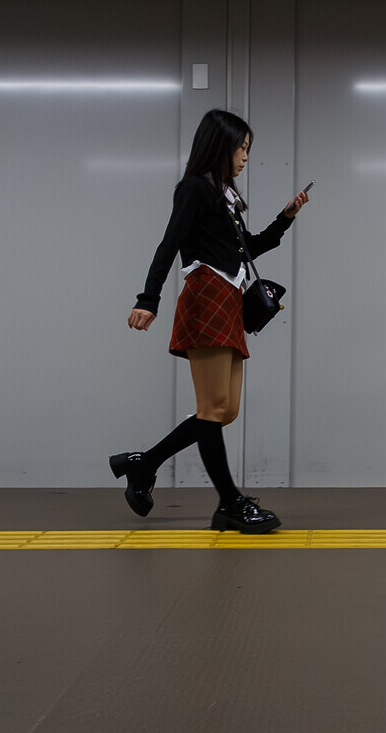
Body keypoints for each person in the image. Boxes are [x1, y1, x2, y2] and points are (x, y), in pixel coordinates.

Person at [111, 108, 309, 534]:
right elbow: (169, 244)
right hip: (205, 297)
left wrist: (285, 217)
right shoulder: (195, 190)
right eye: (241, 148)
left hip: (228, 300)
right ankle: (229, 503)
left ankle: (143, 464)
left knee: (225, 410)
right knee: (213, 408)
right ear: (219, 146)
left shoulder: (224, 195)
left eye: (247, 149)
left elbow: (247, 249)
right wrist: (149, 299)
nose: (244, 157)